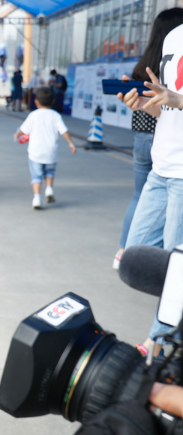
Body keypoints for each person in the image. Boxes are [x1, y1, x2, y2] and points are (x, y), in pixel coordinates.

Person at [118, 12, 183, 358]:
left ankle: (160, 349)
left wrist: (180, 100)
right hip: (162, 167)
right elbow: (168, 111)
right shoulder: (174, 36)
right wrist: (146, 104)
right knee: (135, 258)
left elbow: (179, 101)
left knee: (176, 275)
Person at [13, 87, 76, 209]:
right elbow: (64, 130)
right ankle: (49, 189)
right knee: (49, 172)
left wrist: (17, 134)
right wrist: (71, 143)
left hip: (36, 153)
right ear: (53, 101)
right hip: (51, 152)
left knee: (36, 176)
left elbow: (24, 130)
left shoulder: (33, 115)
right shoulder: (55, 116)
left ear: (36, 102)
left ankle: (37, 198)